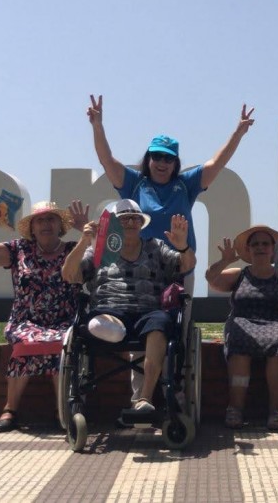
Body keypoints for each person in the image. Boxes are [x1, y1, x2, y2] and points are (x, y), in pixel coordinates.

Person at [87, 94, 253, 405]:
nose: (162, 164)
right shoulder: (134, 183)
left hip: (178, 267)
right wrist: (98, 125)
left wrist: (238, 132)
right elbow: (107, 160)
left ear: (175, 163)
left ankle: (174, 389)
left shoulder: (185, 184)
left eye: (168, 159)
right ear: (148, 159)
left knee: (177, 329)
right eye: (157, 157)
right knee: (141, 325)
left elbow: (217, 163)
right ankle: (140, 398)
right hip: (140, 267)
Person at [61, 199, 196, 416]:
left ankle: (145, 399)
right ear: (113, 225)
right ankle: (114, 330)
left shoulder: (155, 247)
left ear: (142, 223)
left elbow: (187, 264)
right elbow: (69, 275)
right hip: (110, 310)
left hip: (148, 312)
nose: (131, 222)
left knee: (160, 325)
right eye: (124, 219)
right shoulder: (99, 250)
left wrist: (183, 247)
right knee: (99, 322)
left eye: (135, 218)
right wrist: (84, 241)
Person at [0, 199, 88, 433]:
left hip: (64, 321)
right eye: (40, 220)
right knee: (26, 344)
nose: (46, 224)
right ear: (32, 228)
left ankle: (62, 411)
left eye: (51, 219)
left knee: (63, 344)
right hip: (25, 321)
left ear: (60, 225)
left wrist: (85, 230)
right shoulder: (19, 249)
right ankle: (10, 408)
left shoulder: (73, 249)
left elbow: (104, 259)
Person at [205, 225, 278, 430]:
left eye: (265, 244)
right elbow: (212, 279)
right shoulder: (239, 274)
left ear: (273, 249)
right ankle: (235, 408)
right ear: (248, 249)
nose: (260, 247)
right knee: (238, 344)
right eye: (255, 244)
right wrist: (224, 261)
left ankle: (275, 410)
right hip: (243, 321)